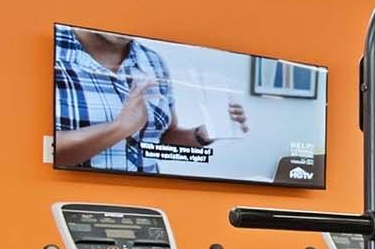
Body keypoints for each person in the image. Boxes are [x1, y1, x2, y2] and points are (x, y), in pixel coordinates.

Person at [52, 27, 245, 173]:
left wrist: (203, 133)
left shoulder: (153, 60)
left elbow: (162, 137)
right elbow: (42, 152)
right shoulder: (53, 50)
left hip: (150, 207)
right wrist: (121, 127)